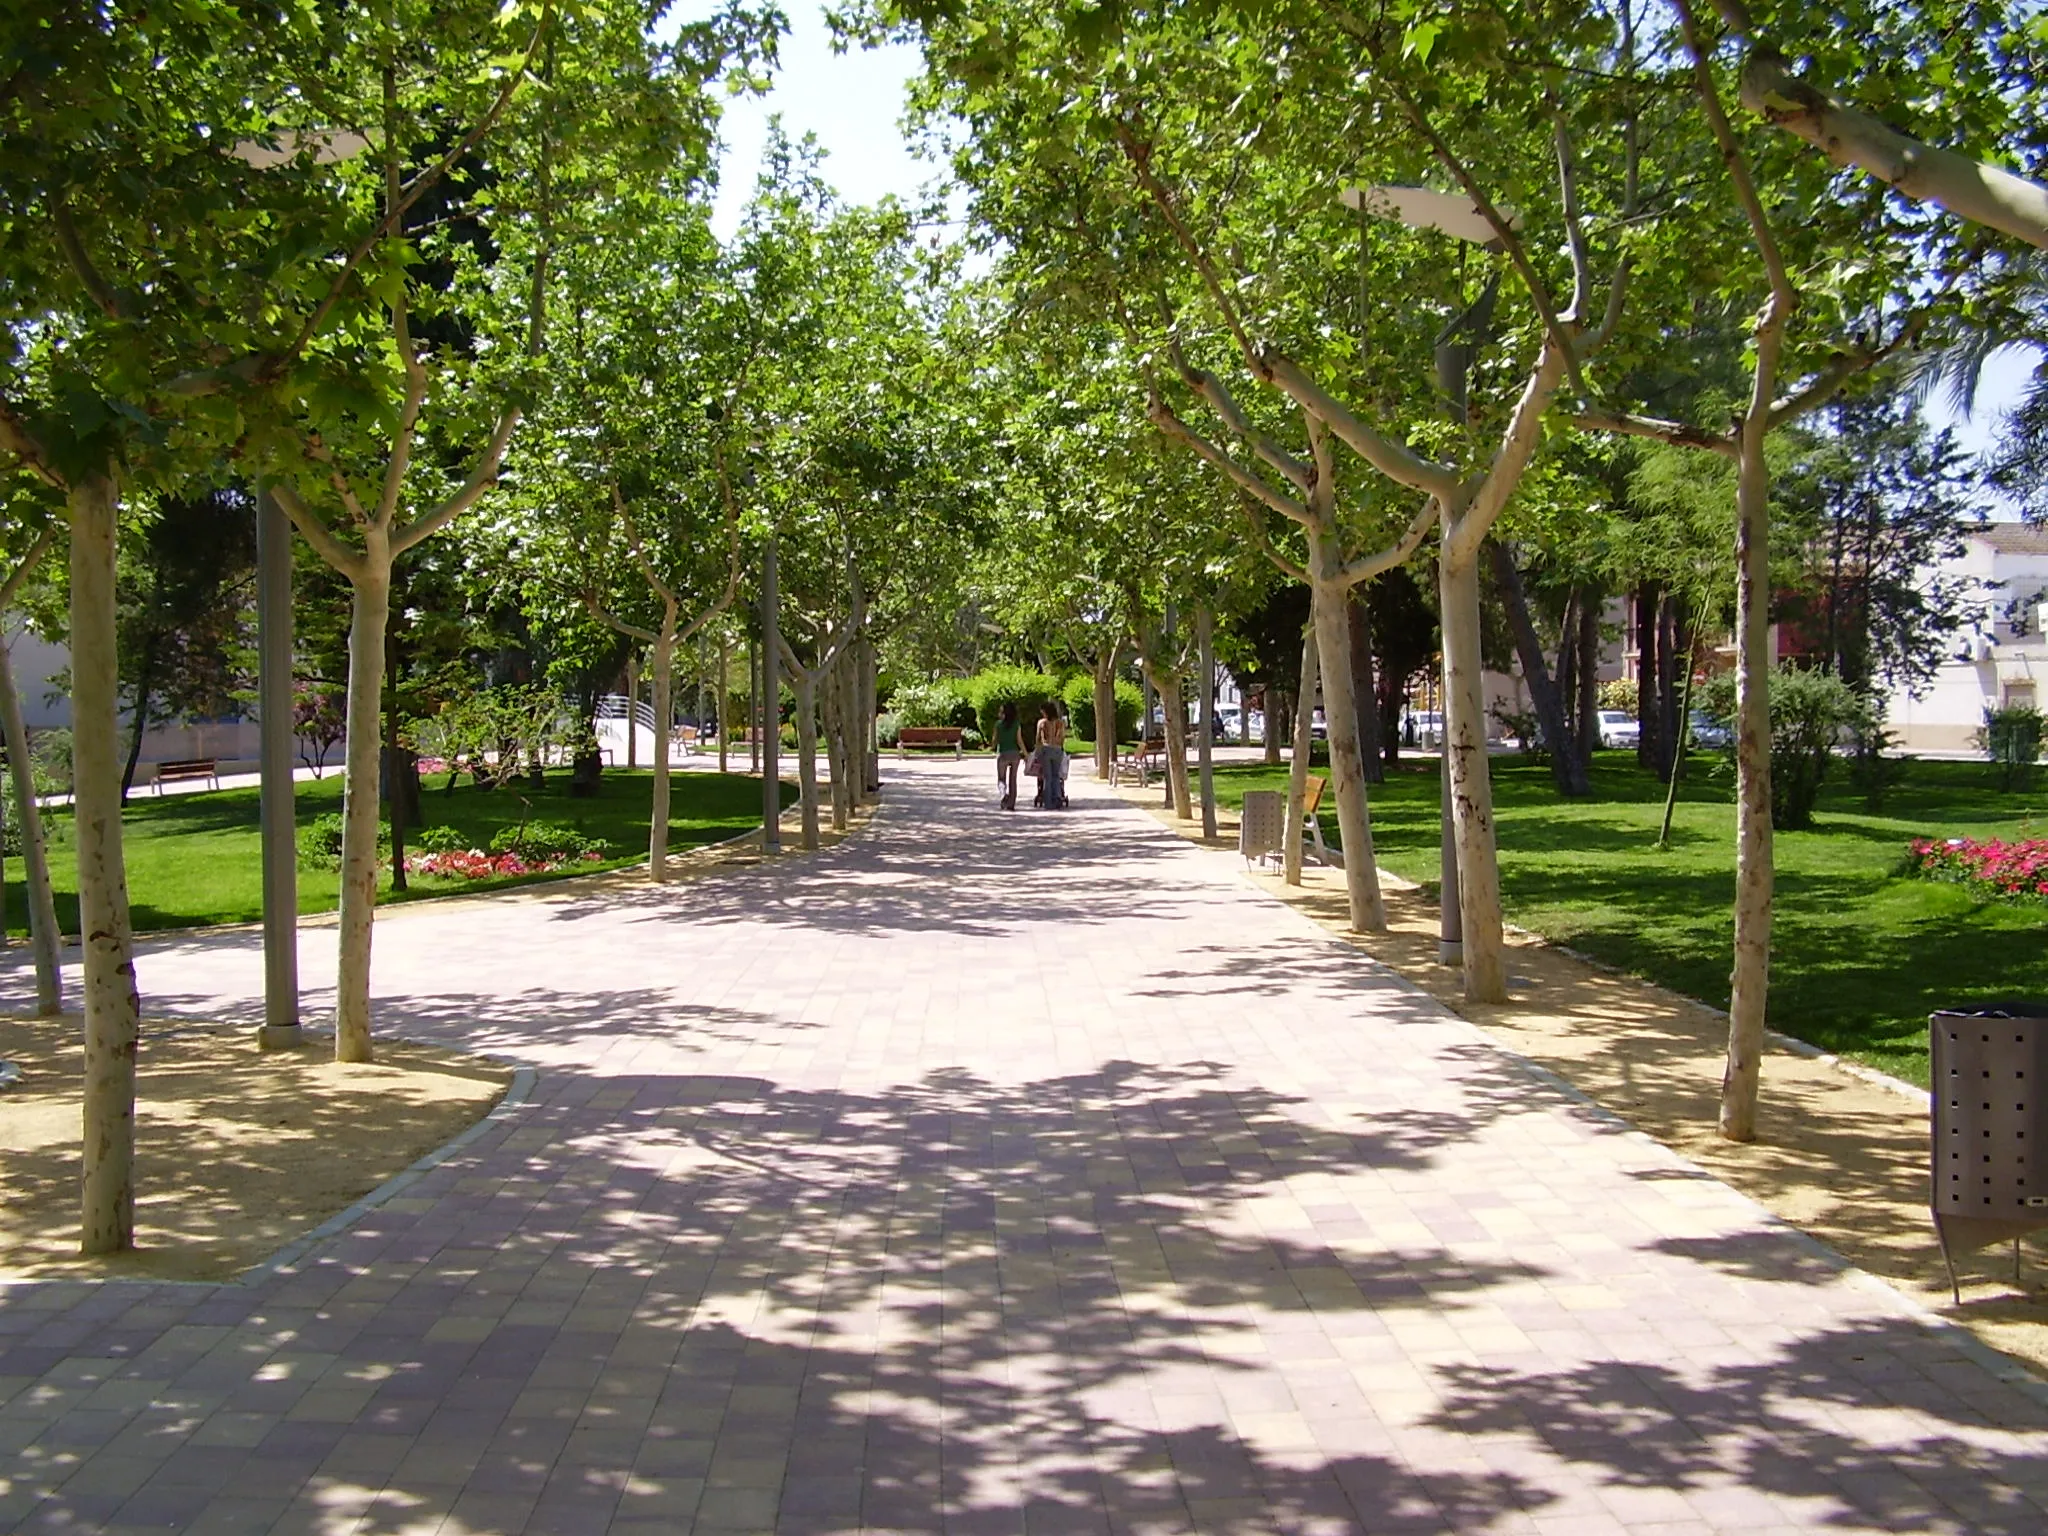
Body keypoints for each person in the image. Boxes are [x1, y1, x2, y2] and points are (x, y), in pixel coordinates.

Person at [1034, 700, 1068, 810]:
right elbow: (1062, 737)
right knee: (1056, 776)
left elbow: (1038, 739)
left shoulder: (1042, 723)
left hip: (1046, 749)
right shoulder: (1060, 722)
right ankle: (1057, 797)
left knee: (1047, 777)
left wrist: (1036, 752)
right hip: (1057, 750)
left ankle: (1048, 802)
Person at [993, 700, 1026, 811]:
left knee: (1001, 779)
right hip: (1015, 754)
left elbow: (994, 741)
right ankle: (1011, 804)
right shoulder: (1016, 724)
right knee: (1013, 779)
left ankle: (1003, 795)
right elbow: (1019, 741)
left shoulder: (998, 725)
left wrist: (992, 746)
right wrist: (1025, 754)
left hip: (1003, 754)